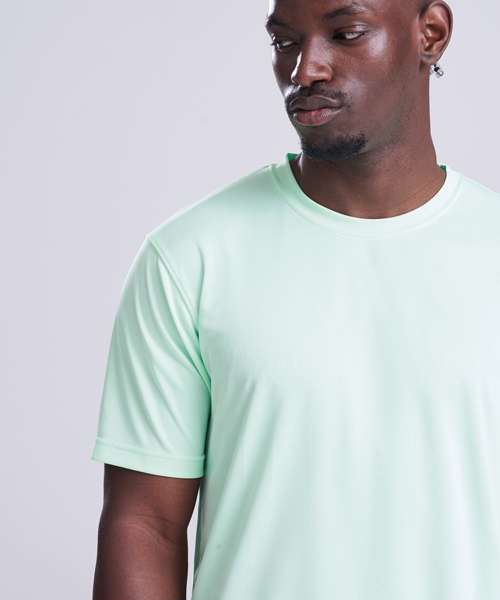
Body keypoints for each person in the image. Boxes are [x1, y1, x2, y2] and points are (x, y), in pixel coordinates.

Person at [90, 0, 500, 598]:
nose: (305, 69)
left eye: (345, 34)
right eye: (284, 42)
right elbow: (145, 524)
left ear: (430, 34)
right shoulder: (189, 259)